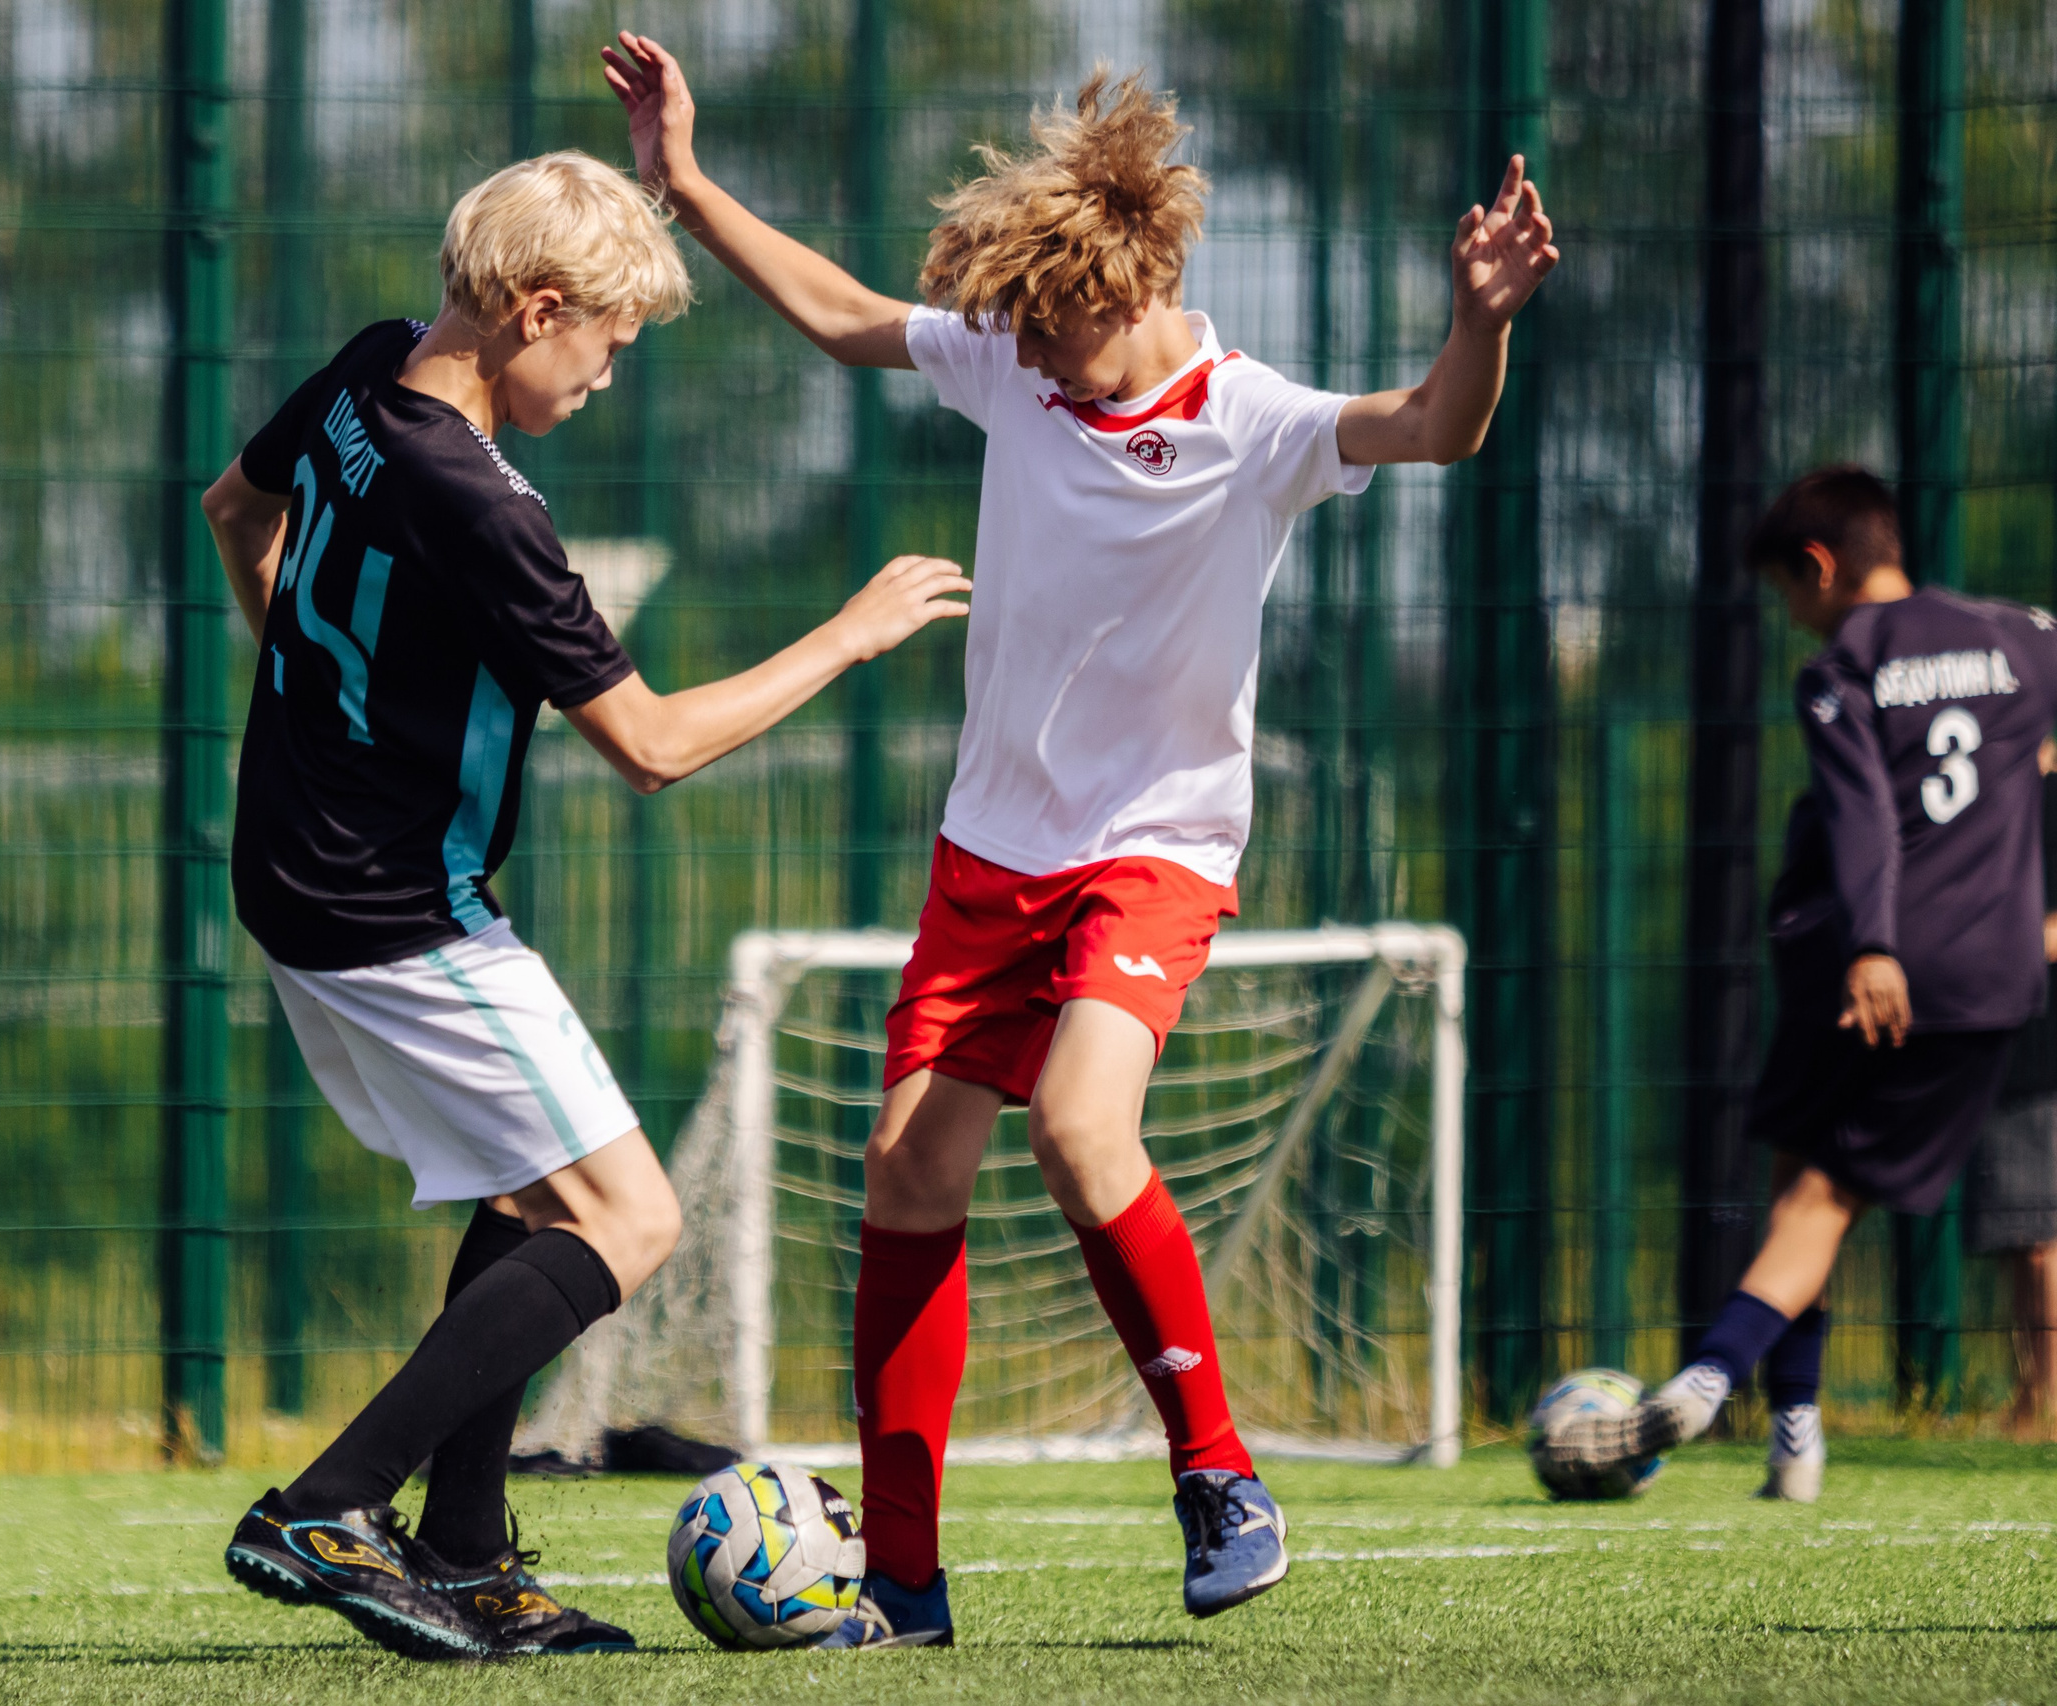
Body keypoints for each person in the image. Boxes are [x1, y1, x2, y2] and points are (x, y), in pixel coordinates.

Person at [603, 35, 1559, 1641]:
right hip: (992, 854)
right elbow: (846, 321)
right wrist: (684, 182)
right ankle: (903, 1582)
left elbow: (1437, 429)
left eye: (1055, 331)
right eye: (1016, 334)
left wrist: (1480, 323)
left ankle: (1219, 1472)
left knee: (1077, 1129)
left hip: (1155, 850)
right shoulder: (1011, 358)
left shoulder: (1252, 421)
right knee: (907, 1174)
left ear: (1132, 290)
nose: (1029, 361)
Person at [200, 150, 970, 1660]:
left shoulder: (367, 376)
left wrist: (305, 695)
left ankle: (471, 1547)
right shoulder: (483, 504)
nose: (611, 373)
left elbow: (237, 509)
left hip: (299, 871)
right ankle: (329, 1502)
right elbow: (656, 746)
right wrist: (851, 634)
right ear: (534, 308)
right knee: (632, 1214)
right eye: (608, 341)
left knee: (523, 1181)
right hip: (395, 908)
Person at [1545, 467, 2057, 1501]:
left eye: (1788, 592)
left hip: (1877, 967)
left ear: (1817, 567)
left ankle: (1702, 1380)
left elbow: (1864, 818)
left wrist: (1874, 946)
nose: (1792, 615)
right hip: (1994, 974)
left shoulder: (1841, 668)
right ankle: (1795, 1442)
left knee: (1819, 1197)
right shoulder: (2022, 639)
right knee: (1797, 1175)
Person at [1964, 742, 2057, 1440]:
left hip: (2043, 1045)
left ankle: (2046, 1403)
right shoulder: (1993, 792)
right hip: (2002, 1038)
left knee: (2041, 1239)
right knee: (2020, 1236)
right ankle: (2031, 1393)